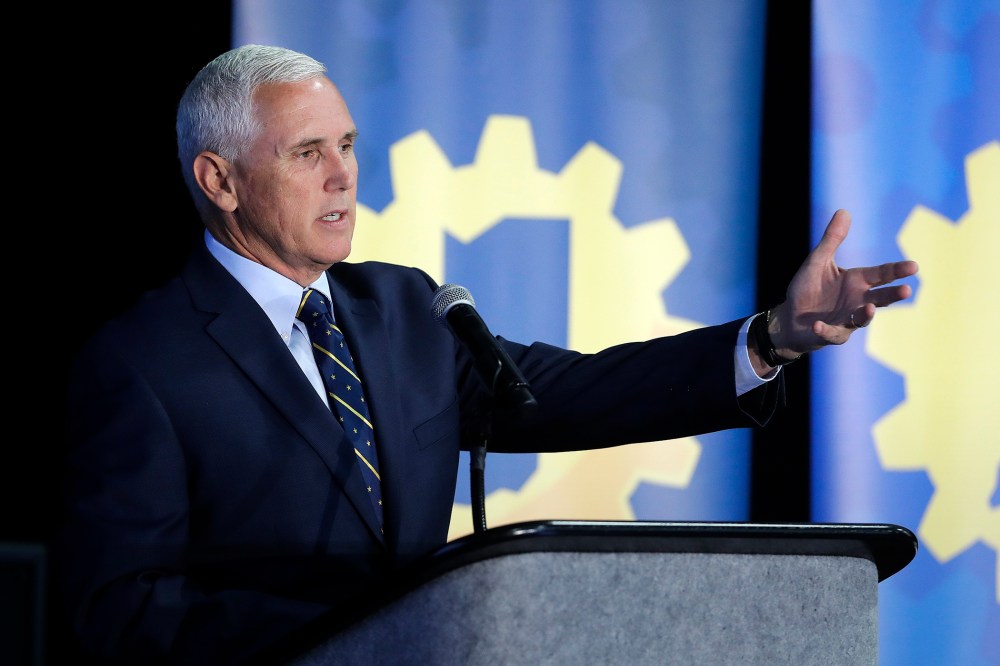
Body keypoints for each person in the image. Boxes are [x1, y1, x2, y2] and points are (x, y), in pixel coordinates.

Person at [51, 44, 918, 665]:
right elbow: (119, 616)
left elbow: (570, 393)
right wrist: (354, 641)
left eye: (347, 145)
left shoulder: (399, 307)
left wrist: (769, 338)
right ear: (220, 180)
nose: (344, 176)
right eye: (307, 153)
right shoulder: (140, 365)